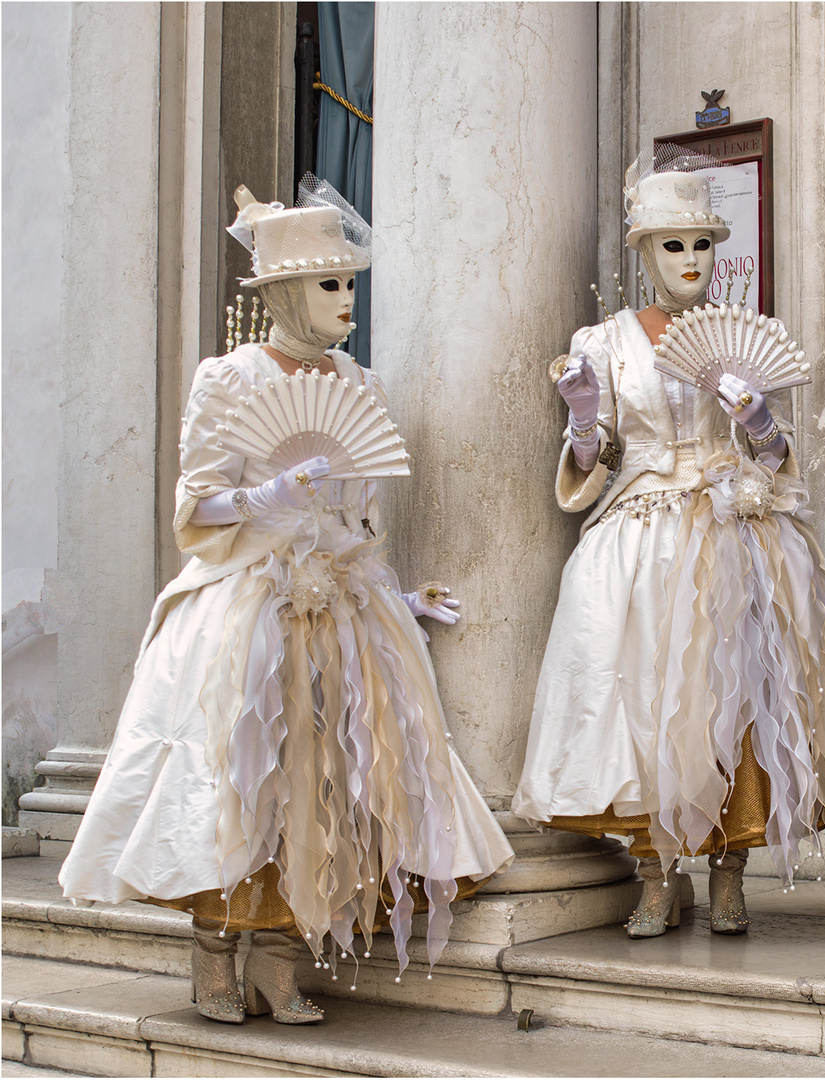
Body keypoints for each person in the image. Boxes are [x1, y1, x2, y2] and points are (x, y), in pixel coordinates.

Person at [59, 178, 514, 1023]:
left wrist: (397, 597)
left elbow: (358, 521)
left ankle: (279, 960)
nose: (346, 303)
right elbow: (195, 508)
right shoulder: (227, 379)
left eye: (350, 286)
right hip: (245, 606)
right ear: (282, 292)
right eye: (329, 285)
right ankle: (211, 956)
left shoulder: (359, 384)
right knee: (236, 775)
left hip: (342, 610)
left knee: (326, 782)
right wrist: (261, 499)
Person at [513, 147, 825, 938]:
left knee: (741, 700)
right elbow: (595, 459)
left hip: (739, 532)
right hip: (643, 534)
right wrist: (584, 421)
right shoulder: (605, 340)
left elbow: (778, 458)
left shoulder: (745, 336)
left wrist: (758, 422)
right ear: (643, 252)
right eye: (671, 245)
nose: (688, 260)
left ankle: (730, 875)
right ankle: (655, 878)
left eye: (700, 244)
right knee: (648, 700)